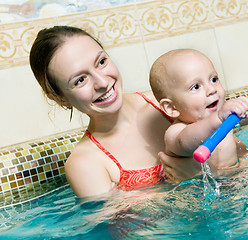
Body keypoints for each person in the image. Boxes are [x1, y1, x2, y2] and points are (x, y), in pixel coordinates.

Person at [29, 26, 176, 198]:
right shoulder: (85, 164)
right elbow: (125, 223)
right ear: (60, 99)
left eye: (101, 62)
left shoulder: (168, 103)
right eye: (80, 80)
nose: (102, 82)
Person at [150, 49, 248, 175]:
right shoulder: (175, 133)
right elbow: (187, 141)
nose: (211, 89)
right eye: (195, 87)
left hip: (232, 182)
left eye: (213, 79)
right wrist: (219, 117)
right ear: (172, 108)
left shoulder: (225, 117)